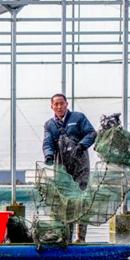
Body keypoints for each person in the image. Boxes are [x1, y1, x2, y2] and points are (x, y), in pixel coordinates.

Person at [42, 93, 96, 243]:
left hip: (80, 164)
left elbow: (91, 133)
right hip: (62, 167)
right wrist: (48, 155)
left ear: (67, 104)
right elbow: (47, 142)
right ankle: (66, 236)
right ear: (52, 107)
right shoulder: (49, 125)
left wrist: (81, 146)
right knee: (64, 200)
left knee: (81, 198)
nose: (59, 107)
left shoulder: (78, 117)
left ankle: (80, 238)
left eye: (62, 103)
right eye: (56, 104)